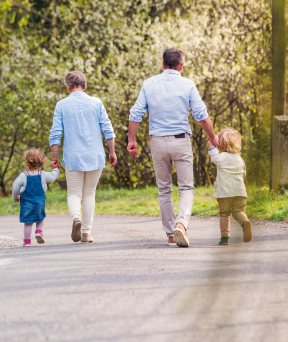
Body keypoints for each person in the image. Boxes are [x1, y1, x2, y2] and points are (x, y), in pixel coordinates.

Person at [128, 48, 218, 248]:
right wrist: (212, 136)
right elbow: (201, 115)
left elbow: (135, 114)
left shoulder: (149, 84)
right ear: (181, 66)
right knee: (186, 187)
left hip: (158, 142)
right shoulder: (187, 84)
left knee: (164, 189)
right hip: (181, 141)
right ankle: (181, 223)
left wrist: (131, 140)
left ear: (163, 64)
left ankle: (170, 234)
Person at [49, 71, 117, 244]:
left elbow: (56, 133)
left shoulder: (61, 105)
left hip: (73, 156)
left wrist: (54, 156)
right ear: (85, 86)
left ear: (67, 86)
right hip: (95, 155)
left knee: (74, 193)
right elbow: (107, 129)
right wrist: (112, 151)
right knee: (89, 193)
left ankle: (76, 218)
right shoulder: (96, 102)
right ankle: (86, 233)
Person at [208, 129, 252, 245]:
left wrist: (211, 145)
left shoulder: (222, 157)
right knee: (238, 211)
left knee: (224, 214)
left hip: (225, 193)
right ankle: (245, 221)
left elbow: (214, 158)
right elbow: (244, 174)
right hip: (240, 192)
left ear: (220, 145)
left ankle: (225, 238)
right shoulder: (240, 159)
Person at [12, 148, 60, 247]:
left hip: (26, 203)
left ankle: (27, 242)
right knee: (40, 218)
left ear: (27, 162)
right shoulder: (43, 174)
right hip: (39, 202)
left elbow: (15, 185)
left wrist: (16, 195)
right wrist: (55, 169)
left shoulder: (23, 175)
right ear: (42, 163)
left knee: (28, 223)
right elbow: (52, 176)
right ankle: (38, 232)